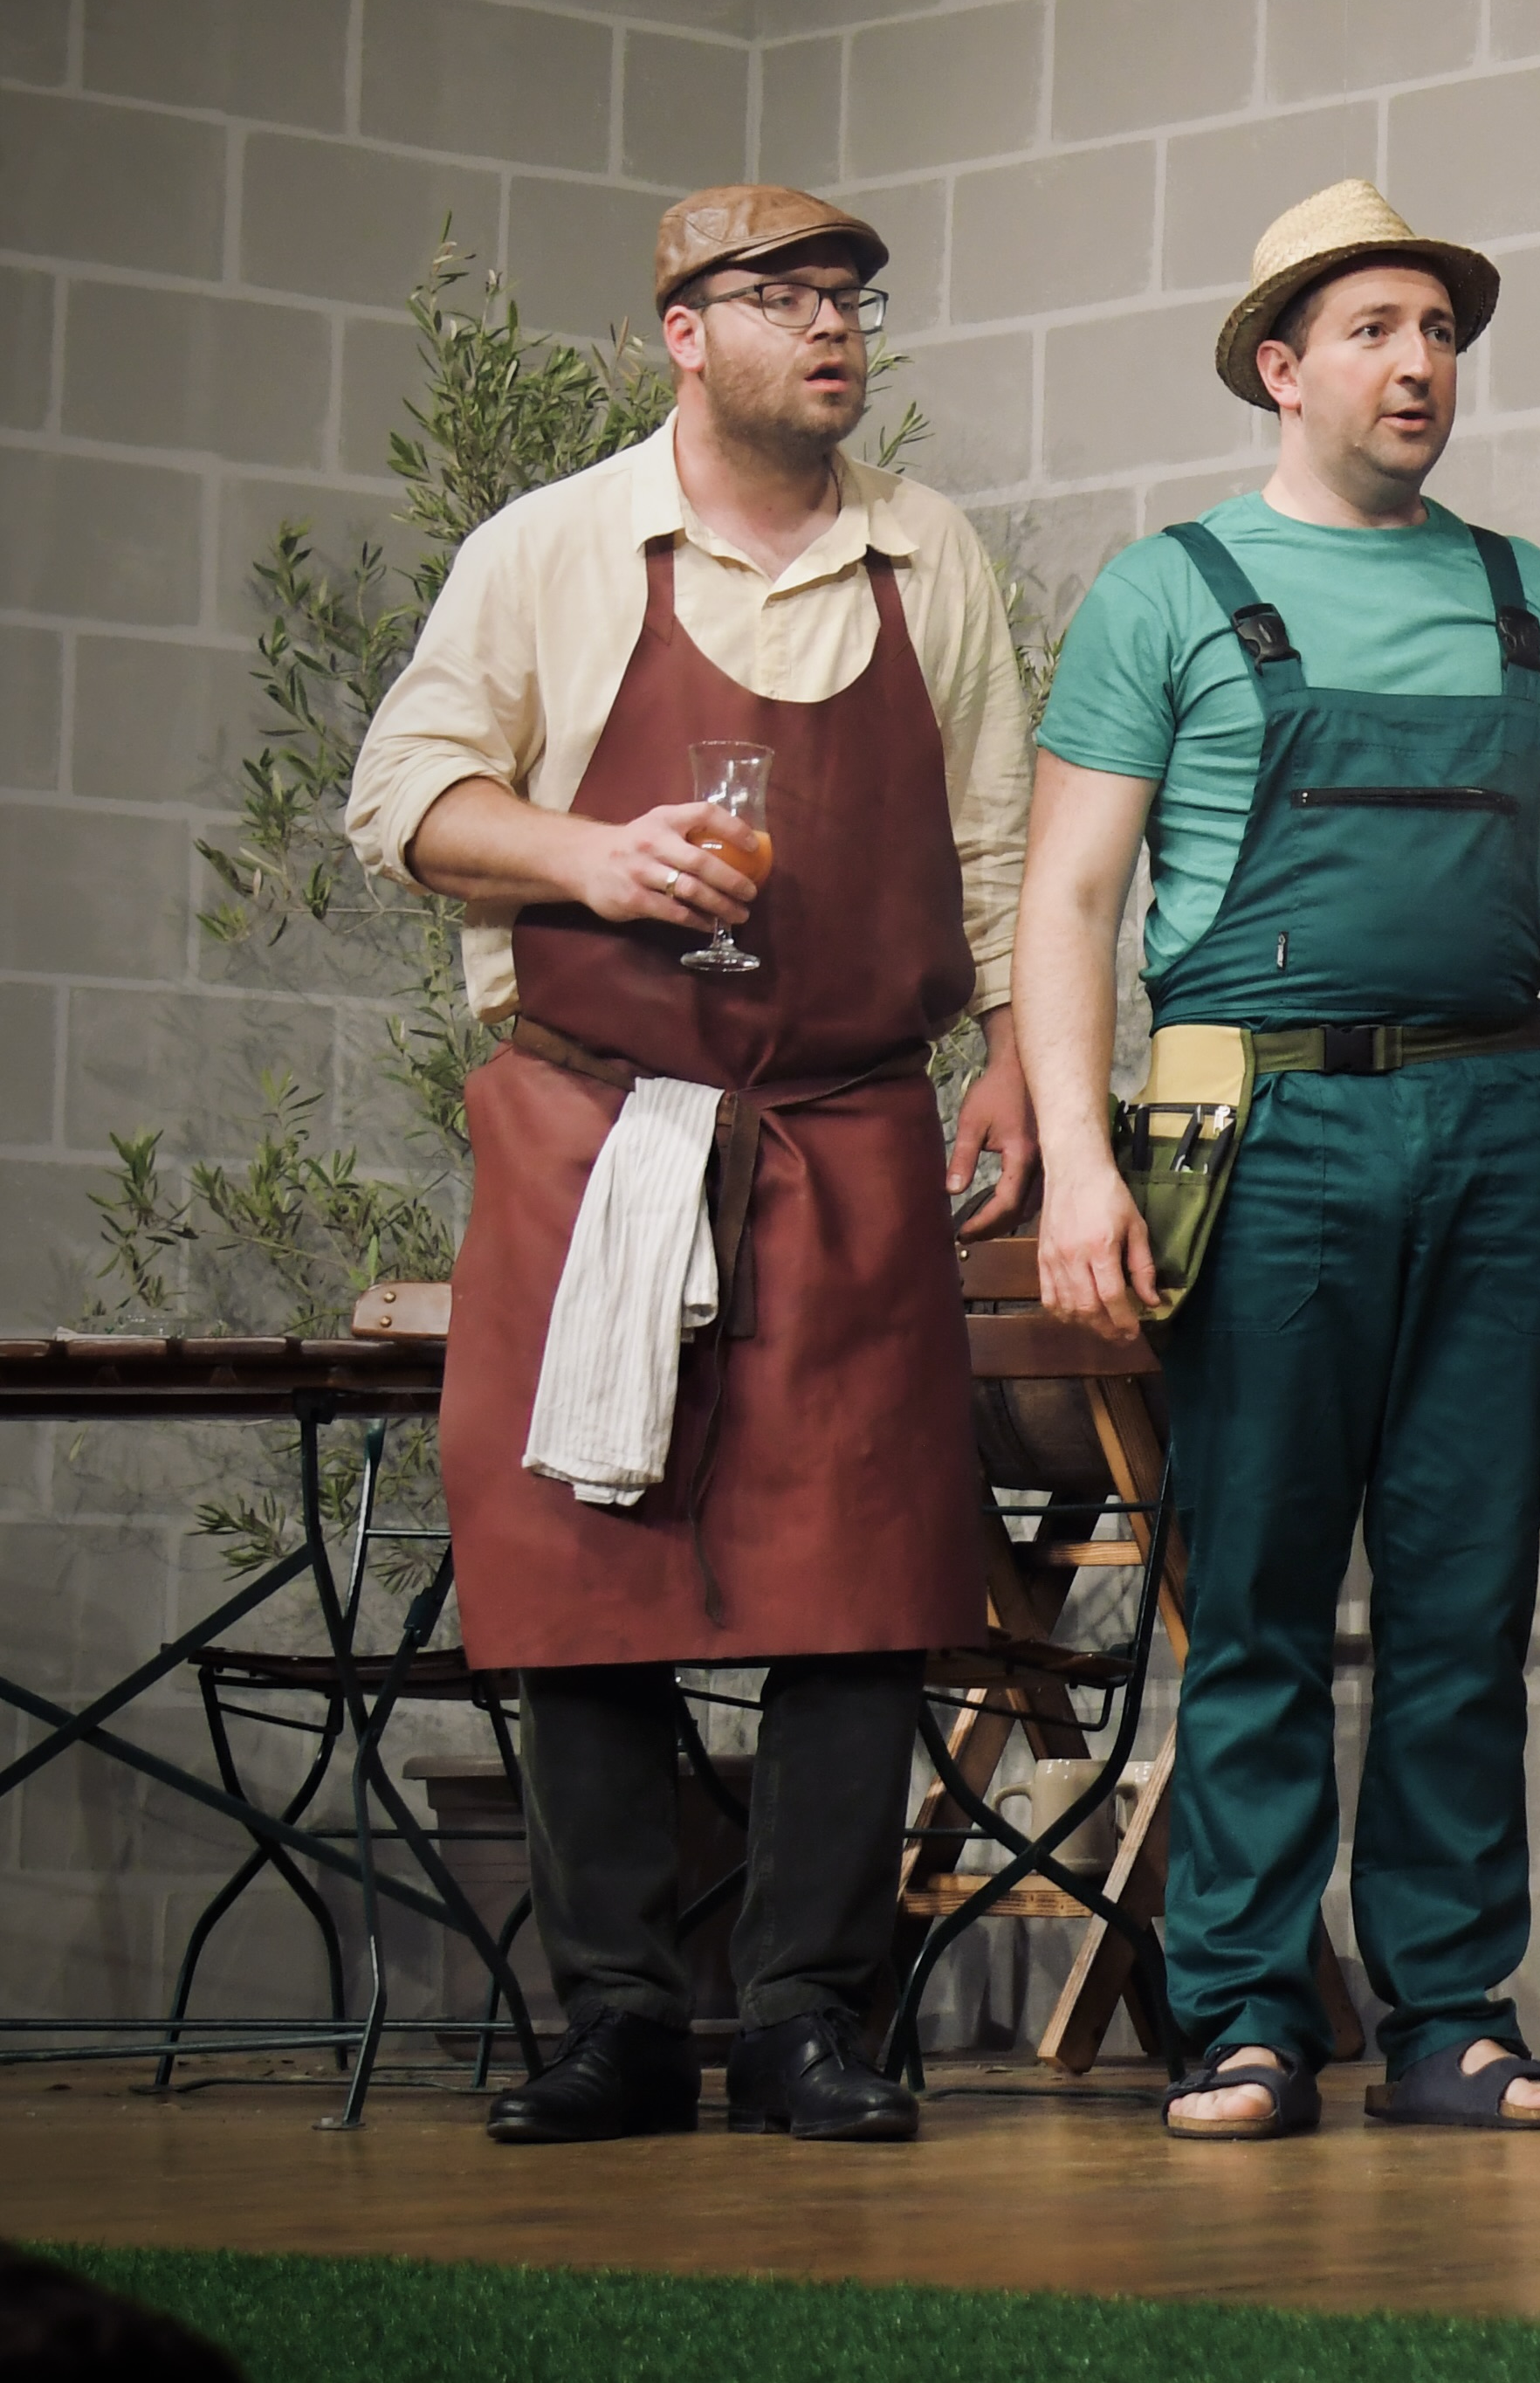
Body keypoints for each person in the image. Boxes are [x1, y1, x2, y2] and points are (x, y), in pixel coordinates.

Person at [353, 183, 1041, 2145]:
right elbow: (401, 796)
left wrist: (1018, 1065)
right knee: (585, 1572)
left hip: (849, 1123)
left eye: (852, 300)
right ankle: (623, 2020)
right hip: (598, 1127)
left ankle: (815, 2013)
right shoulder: (552, 546)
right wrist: (588, 855)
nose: (831, 328)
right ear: (683, 328)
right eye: (784, 295)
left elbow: (997, 845)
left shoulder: (926, 555)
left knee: (863, 1569)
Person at [1023, 180, 1540, 2140]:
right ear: (1280, 366)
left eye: (1442, 333)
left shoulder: (1529, 600)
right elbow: (1068, 903)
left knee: (1463, 1591)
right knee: (1253, 1589)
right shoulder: (1165, 593)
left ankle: (1449, 2018)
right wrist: (1080, 1165)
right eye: (1375, 331)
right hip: (1262, 1130)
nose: (1420, 366)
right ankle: (1241, 2014)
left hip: (1494, 1124)